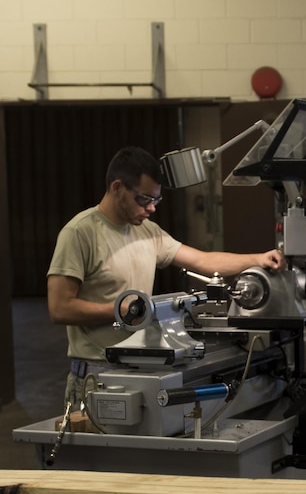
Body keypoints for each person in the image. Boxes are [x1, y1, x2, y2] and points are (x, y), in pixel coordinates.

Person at [46, 146, 284, 411]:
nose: (151, 208)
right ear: (117, 187)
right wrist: (119, 311)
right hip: (96, 373)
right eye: (144, 199)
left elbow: (204, 261)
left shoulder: (148, 232)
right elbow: (60, 308)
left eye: (156, 201)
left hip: (140, 368)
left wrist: (258, 259)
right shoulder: (81, 233)